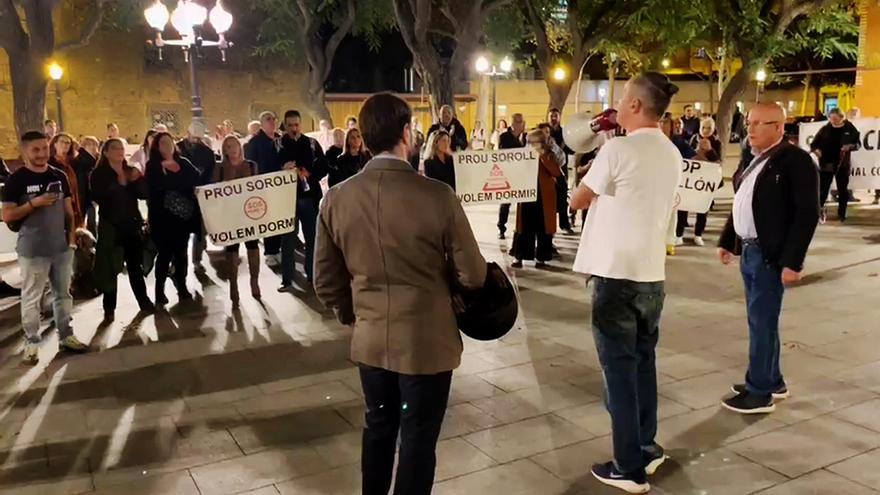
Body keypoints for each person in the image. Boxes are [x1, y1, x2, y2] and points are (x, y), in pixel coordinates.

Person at [314, 92, 487, 495]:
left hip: (371, 341)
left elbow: (325, 280)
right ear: (406, 133)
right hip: (427, 341)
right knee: (417, 439)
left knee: (377, 427)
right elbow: (474, 274)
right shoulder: (436, 195)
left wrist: (353, 314)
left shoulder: (336, 199)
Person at [569, 73, 682, 493]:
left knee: (617, 371)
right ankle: (647, 448)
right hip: (652, 273)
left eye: (621, 97)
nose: (615, 103)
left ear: (635, 105)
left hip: (615, 274)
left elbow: (578, 198)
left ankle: (627, 466)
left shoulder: (617, 148)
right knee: (643, 364)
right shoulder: (671, 152)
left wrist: (591, 176)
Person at [718, 102, 820, 414]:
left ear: (779, 127)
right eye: (750, 122)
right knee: (762, 320)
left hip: (769, 255)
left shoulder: (796, 161)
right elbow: (745, 202)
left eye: (761, 123)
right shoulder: (758, 158)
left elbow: (807, 214)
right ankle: (772, 380)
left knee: (762, 322)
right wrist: (729, 241)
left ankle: (759, 391)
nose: (751, 129)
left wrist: (793, 261)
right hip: (750, 250)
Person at [2, 131, 89, 365]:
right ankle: (31, 341)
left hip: (61, 248)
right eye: (35, 150)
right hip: (32, 249)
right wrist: (33, 203)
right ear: (25, 152)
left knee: (63, 294)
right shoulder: (16, 180)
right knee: (32, 297)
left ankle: (66, 335)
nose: (41, 154)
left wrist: (71, 240)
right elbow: (7, 214)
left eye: (44, 148)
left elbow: (69, 212)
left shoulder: (59, 175)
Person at [90, 138, 155, 319]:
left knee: (135, 266)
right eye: (115, 148)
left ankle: (144, 301)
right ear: (106, 152)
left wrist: (137, 179)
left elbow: (144, 194)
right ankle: (109, 308)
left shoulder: (129, 171)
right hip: (111, 226)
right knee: (111, 267)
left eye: (121, 148)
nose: (119, 151)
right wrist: (117, 184)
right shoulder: (99, 174)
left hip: (131, 226)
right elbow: (98, 197)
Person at [145, 132, 201, 305]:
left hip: (183, 218)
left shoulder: (183, 163)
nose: (167, 146)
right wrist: (181, 186)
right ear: (157, 146)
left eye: (169, 142)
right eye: (163, 143)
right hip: (163, 219)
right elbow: (157, 188)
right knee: (164, 255)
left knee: (181, 254)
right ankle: (159, 291)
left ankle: (182, 286)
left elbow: (197, 179)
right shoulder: (153, 166)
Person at [278, 110, 328, 290]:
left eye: (296, 125)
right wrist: (282, 168)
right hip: (287, 198)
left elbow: (323, 166)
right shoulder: (278, 144)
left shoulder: (312, 143)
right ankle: (287, 279)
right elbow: (268, 169)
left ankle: (312, 275)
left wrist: (310, 174)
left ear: (301, 124)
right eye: (290, 125)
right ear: (285, 125)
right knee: (288, 240)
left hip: (308, 197)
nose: (293, 128)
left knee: (312, 238)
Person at [212, 136, 262, 305]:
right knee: (232, 250)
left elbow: (260, 187)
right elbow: (211, 191)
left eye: (234, 145)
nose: (232, 149)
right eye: (228, 146)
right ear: (224, 150)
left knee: (253, 246)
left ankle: (254, 281)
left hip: (249, 213)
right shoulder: (219, 168)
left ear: (240, 147)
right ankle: (233, 285)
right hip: (229, 215)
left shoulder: (251, 165)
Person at [512, 130, 561, 269]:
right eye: (529, 142)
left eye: (533, 142)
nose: (530, 145)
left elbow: (556, 172)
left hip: (544, 197)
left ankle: (541, 259)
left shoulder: (549, 155)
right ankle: (520, 257)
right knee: (524, 228)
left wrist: (542, 157)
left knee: (543, 228)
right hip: (527, 195)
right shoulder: (523, 155)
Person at [676, 118, 722, 247]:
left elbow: (718, 161)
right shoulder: (693, 139)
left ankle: (698, 235)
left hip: (705, 181)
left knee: (702, 208)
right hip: (691, 179)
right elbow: (686, 156)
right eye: (703, 127)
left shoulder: (717, 142)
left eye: (708, 128)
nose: (705, 130)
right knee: (683, 207)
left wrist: (709, 151)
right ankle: (679, 234)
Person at [244, 111, 283, 266]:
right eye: (268, 119)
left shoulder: (280, 139)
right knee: (268, 219)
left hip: (280, 186)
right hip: (264, 186)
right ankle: (270, 252)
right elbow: (250, 164)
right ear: (261, 123)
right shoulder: (254, 142)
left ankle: (277, 248)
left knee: (279, 217)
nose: (272, 122)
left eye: (274, 119)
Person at [810, 108, 860, 223]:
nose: (833, 121)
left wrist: (849, 147)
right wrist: (816, 150)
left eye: (835, 119)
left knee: (842, 189)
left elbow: (857, 144)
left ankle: (841, 213)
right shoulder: (825, 129)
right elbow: (814, 144)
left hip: (842, 164)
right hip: (827, 162)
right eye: (831, 118)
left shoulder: (849, 128)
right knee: (823, 189)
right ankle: (819, 212)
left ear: (841, 118)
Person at [177, 127, 216, 270]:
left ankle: (196, 260)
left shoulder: (207, 153)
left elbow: (210, 173)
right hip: (181, 195)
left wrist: (205, 189)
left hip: (200, 194)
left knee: (200, 230)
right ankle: (179, 262)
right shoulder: (177, 149)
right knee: (181, 231)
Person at [497, 114, 527, 240]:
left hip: (523, 174)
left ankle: (522, 230)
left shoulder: (526, 137)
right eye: (516, 121)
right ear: (511, 123)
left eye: (520, 122)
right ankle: (501, 227)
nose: (518, 124)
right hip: (509, 173)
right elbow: (504, 153)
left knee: (524, 204)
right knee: (506, 202)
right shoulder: (504, 137)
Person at [548, 108, 575, 235]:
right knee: (549, 201)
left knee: (563, 198)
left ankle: (564, 224)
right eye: (551, 116)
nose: (554, 118)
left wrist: (567, 146)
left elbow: (572, 150)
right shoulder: (545, 133)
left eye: (556, 116)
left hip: (562, 170)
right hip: (547, 171)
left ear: (559, 117)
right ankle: (549, 226)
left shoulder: (565, 133)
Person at [73, 136, 99, 234]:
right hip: (83, 195)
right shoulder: (81, 161)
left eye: (95, 144)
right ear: (84, 146)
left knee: (92, 220)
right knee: (82, 220)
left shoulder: (96, 160)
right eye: (90, 144)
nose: (93, 147)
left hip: (90, 196)